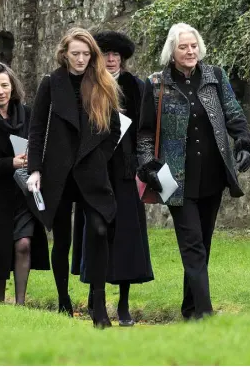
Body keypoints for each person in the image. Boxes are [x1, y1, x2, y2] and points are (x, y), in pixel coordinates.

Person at [137, 23, 250, 320]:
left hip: (213, 176)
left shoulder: (215, 76)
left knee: (202, 243)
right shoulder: (155, 84)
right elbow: (143, 133)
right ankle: (204, 314)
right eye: (183, 47)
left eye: (193, 46)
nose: (189, 51)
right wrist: (148, 166)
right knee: (192, 246)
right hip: (175, 178)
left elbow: (233, 114)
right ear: (172, 51)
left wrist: (243, 142)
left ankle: (189, 308)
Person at [26, 27, 121, 329]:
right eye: (75, 53)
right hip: (60, 171)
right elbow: (37, 129)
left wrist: (100, 158)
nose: (81, 59)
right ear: (64, 54)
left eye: (86, 54)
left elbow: (114, 129)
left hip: (91, 169)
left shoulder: (102, 82)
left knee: (99, 229)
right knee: (63, 238)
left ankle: (98, 301)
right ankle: (63, 299)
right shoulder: (51, 83)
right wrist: (36, 170)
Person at [71, 31, 154, 327]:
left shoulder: (136, 86)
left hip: (125, 172)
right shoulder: (87, 86)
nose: (111, 58)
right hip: (95, 172)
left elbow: (146, 129)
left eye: (116, 54)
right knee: (97, 234)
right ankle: (97, 299)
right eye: (105, 53)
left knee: (127, 238)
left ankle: (124, 304)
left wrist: (142, 164)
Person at [0, 62, 50, 305]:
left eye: (5, 85)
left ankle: (21, 303)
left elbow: (40, 145)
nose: (1, 91)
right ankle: (0, 301)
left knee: (24, 244)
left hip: (22, 192)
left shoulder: (28, 113)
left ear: (12, 87)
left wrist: (35, 166)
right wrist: (9, 163)